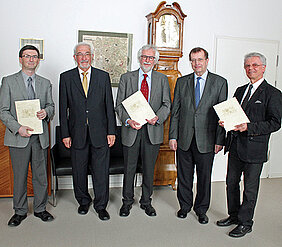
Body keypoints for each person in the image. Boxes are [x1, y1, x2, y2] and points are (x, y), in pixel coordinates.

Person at [216, 52, 282, 237]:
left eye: (254, 65)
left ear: (263, 68)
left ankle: (246, 223)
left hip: (255, 149)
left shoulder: (273, 94)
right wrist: (226, 122)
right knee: (231, 183)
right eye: (247, 66)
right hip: (236, 146)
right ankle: (234, 215)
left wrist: (249, 127)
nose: (250, 69)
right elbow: (235, 115)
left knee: (250, 188)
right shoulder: (240, 90)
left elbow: (275, 122)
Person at [169, 47, 228, 224]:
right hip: (184, 138)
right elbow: (176, 112)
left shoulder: (219, 82)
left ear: (207, 60)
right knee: (184, 176)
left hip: (207, 140)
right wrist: (173, 136)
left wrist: (220, 140)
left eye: (200, 60)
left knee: (204, 177)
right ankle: (185, 206)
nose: (196, 64)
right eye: (193, 60)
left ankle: (201, 209)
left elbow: (222, 114)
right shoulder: (182, 82)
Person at [59, 42, 116, 221]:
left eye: (87, 54)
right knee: (79, 170)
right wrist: (65, 134)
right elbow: (63, 109)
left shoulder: (103, 76)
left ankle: (101, 206)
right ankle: (83, 201)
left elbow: (109, 106)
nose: (84, 57)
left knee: (101, 171)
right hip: (76, 134)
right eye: (80, 54)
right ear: (74, 57)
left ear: (92, 56)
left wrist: (112, 131)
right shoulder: (66, 77)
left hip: (100, 133)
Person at [0, 45, 55, 227]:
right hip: (19, 137)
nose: (31, 59)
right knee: (20, 176)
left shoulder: (45, 83)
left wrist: (46, 113)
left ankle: (40, 209)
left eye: (34, 57)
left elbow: (51, 107)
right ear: (20, 59)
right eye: (27, 56)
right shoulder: (8, 81)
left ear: (38, 60)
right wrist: (18, 128)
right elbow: (3, 111)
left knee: (40, 176)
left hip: (39, 138)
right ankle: (20, 211)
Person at [115, 44, 171, 217]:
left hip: (152, 131)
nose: (147, 60)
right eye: (144, 57)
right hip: (131, 131)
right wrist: (128, 120)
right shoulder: (127, 78)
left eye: (151, 58)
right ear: (139, 58)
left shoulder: (162, 79)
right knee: (129, 168)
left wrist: (158, 117)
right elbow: (119, 105)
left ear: (155, 61)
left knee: (148, 169)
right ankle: (127, 202)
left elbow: (167, 104)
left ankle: (146, 202)